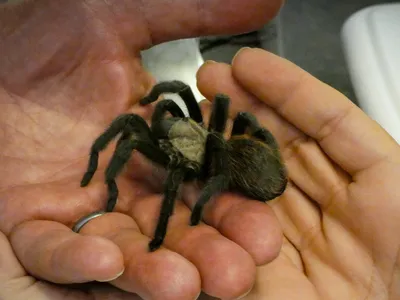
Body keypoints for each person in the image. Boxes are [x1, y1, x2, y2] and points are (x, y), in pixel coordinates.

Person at [1, 1, 399, 300]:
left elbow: (176, 171)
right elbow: (182, 103)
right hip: (234, 155)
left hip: (236, 166)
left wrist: (189, 214)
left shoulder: (185, 159)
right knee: (170, 114)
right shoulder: (209, 126)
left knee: (153, 143)